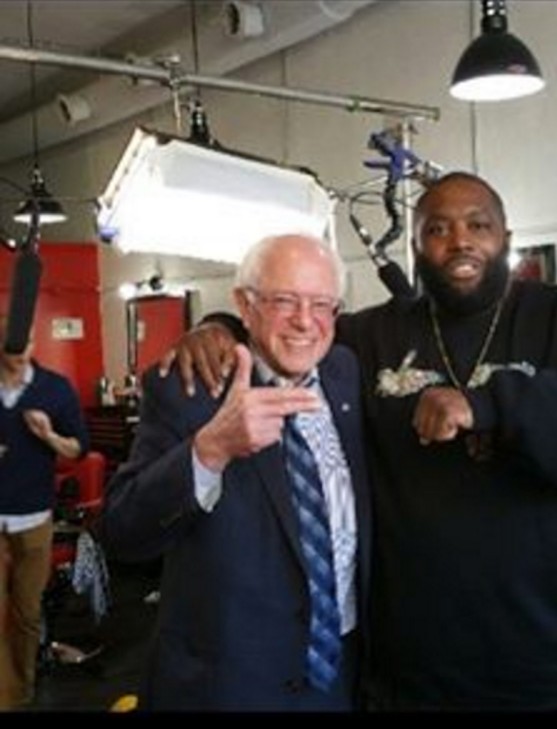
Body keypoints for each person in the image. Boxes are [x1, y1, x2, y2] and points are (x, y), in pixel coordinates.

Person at [164, 172, 557, 711]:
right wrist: (221, 325)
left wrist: (490, 406)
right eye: (437, 228)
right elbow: (295, 334)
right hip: (422, 675)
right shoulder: (368, 338)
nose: (460, 240)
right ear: (415, 247)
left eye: (478, 225)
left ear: (505, 238)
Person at [96, 235, 372, 711]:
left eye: (321, 303)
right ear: (245, 304)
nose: (305, 321)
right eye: (284, 300)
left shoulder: (347, 372)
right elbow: (121, 531)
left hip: (338, 677)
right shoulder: (190, 387)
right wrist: (209, 451)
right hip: (227, 684)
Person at [0, 314, 89, 710]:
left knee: (25, 613)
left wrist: (48, 435)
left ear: (34, 343)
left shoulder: (54, 389)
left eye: (24, 344)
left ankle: (16, 695)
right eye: (9, 345)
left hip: (34, 519)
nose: (18, 353)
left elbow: (79, 449)